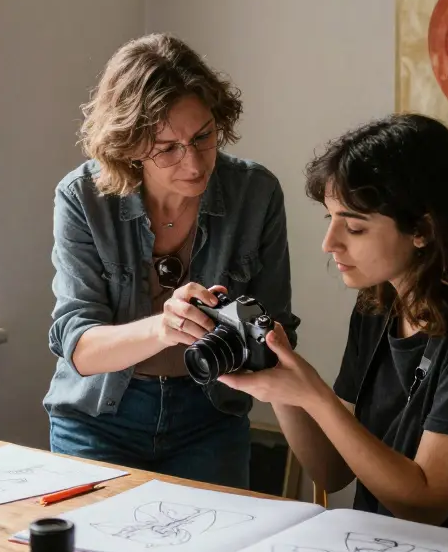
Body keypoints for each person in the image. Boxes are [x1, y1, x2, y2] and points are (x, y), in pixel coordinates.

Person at [219, 113, 448, 551]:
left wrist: (314, 394)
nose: (330, 242)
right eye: (331, 219)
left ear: (424, 230)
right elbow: (333, 472)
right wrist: (277, 383)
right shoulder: (379, 304)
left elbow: (426, 505)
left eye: (353, 227)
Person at [44, 33, 300, 489]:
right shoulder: (83, 198)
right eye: (167, 148)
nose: (195, 163)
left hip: (210, 416)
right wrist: (163, 327)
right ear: (128, 146)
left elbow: (277, 329)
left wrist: (241, 331)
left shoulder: (255, 193)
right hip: (100, 418)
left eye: (204, 136)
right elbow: (78, 346)